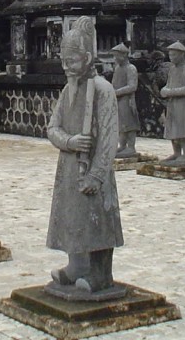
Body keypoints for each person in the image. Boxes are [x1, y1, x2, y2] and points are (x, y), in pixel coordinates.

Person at [47, 17, 123, 296]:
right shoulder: (69, 89)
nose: (67, 67)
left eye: (73, 60)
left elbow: (108, 139)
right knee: (71, 217)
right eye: (63, 60)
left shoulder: (102, 89)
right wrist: (69, 141)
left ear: (88, 58)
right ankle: (76, 265)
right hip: (69, 164)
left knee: (97, 218)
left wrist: (97, 174)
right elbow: (52, 127)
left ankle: (101, 273)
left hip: (93, 168)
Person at [160, 41, 185, 166]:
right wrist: (164, 90)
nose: (171, 58)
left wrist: (171, 92)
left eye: (174, 55)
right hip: (172, 104)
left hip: (183, 103)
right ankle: (176, 153)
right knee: (173, 127)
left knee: (184, 128)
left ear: (181, 55)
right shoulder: (172, 69)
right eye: (170, 55)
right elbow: (168, 85)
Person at [110, 43, 140, 158]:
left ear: (123, 55)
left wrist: (116, 92)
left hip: (127, 100)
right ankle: (122, 145)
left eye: (116, 55)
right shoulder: (118, 68)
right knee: (121, 124)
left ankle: (131, 147)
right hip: (118, 100)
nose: (115, 58)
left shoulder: (131, 68)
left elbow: (132, 86)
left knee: (130, 123)